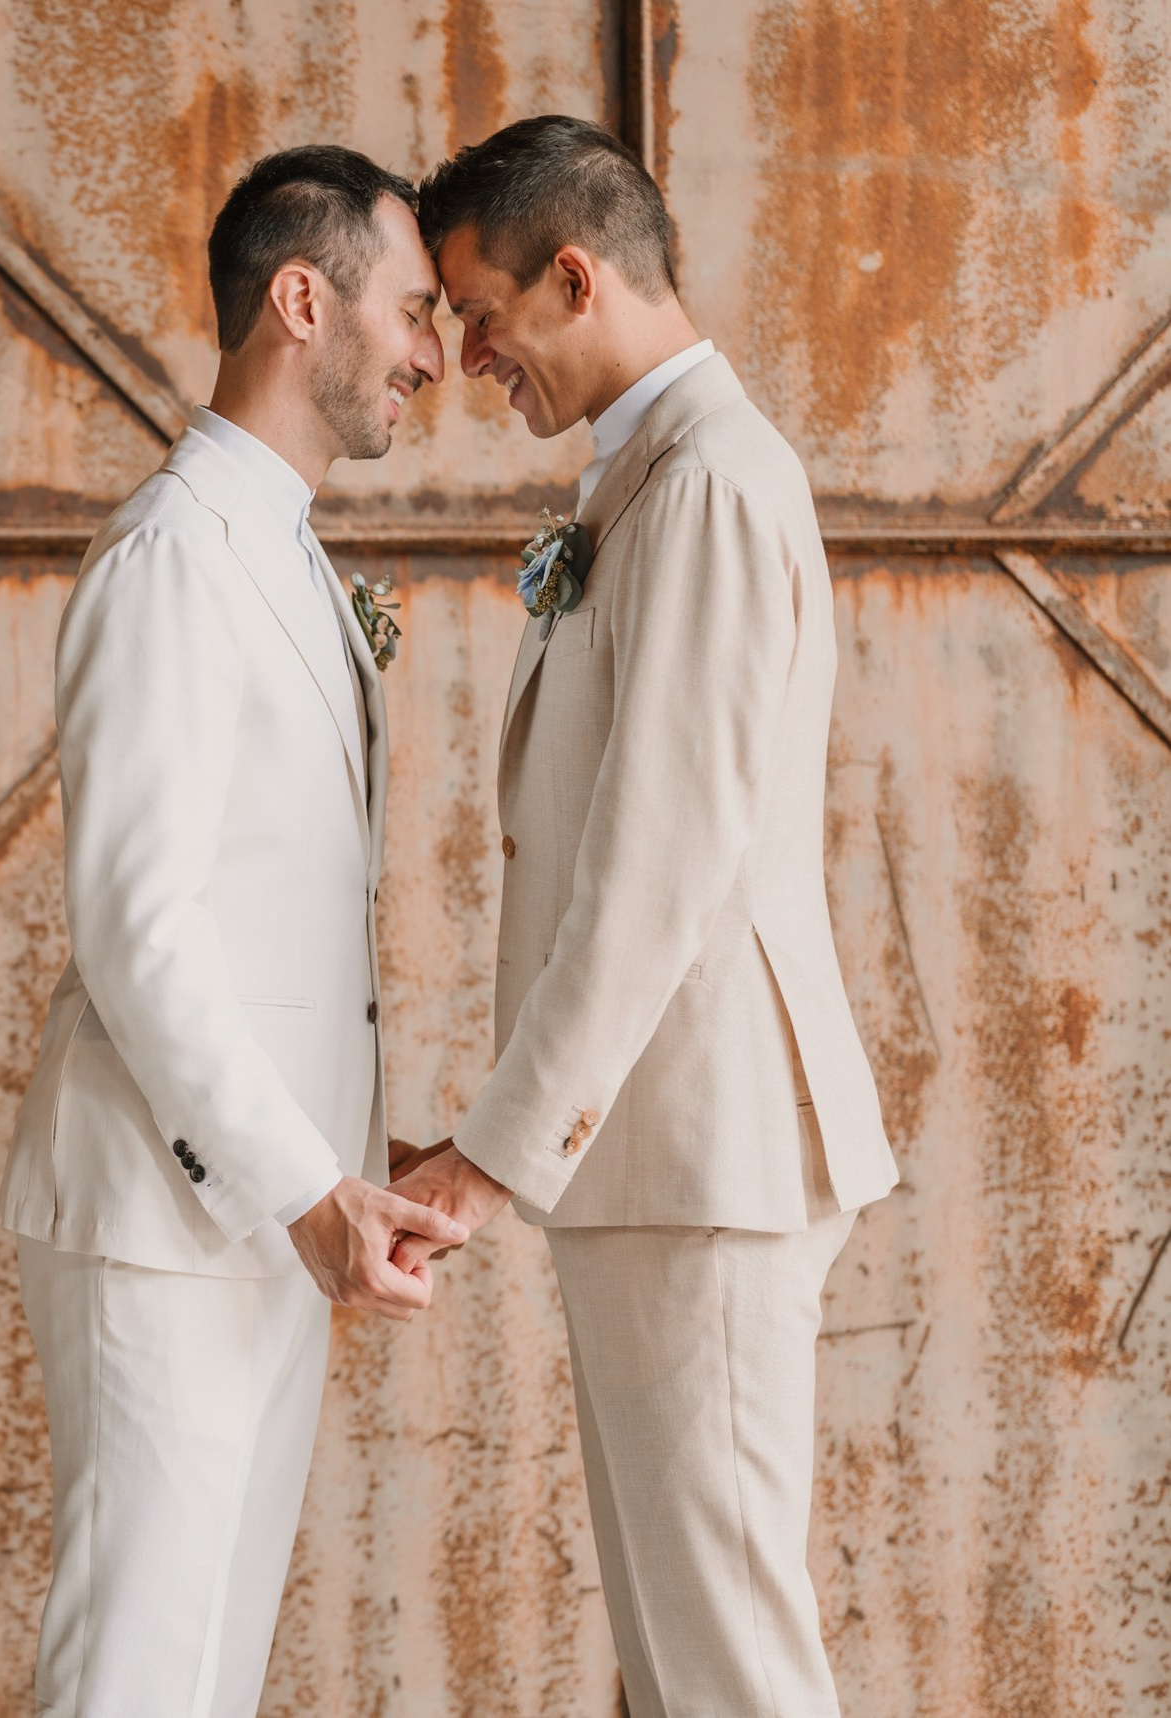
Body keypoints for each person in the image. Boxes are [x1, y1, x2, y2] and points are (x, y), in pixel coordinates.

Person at [391, 115, 899, 1717]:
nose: (468, 357)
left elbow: (655, 859)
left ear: (574, 274)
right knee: (684, 1660)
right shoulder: (652, 473)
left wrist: (489, 1149)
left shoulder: (707, 484)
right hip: (658, 1156)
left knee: (730, 1663)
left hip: (707, 1144)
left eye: (478, 314)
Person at [0, 145, 464, 1718]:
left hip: (272, 1204)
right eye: (408, 312)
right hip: (166, 1212)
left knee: (203, 1673)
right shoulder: (168, 556)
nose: (429, 354)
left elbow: (281, 911)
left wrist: (342, 1162)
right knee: (137, 1670)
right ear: (298, 298)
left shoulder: (289, 558)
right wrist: (295, 1184)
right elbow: (140, 928)